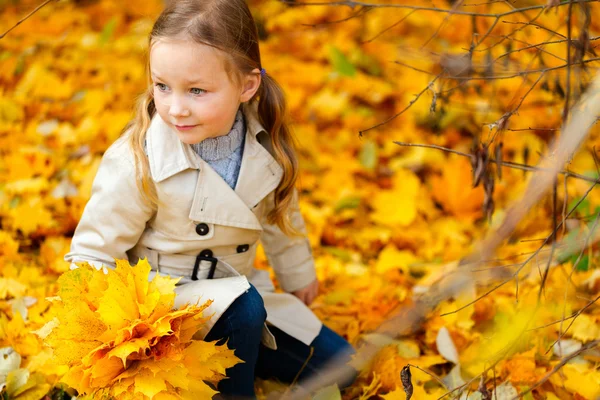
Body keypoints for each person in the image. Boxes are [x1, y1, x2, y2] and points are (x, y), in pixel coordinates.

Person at [64, 0, 356, 398]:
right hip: (163, 311)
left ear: (247, 86)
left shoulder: (266, 146)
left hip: (238, 292)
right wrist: (99, 338)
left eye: (196, 90)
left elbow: (281, 217)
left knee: (342, 367)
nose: (175, 107)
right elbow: (92, 253)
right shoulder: (139, 157)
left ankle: (241, 354)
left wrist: (297, 275)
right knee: (245, 306)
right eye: (162, 86)